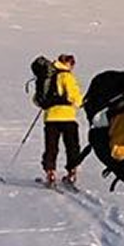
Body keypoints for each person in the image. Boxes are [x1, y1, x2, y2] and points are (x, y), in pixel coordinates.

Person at [41, 53, 85, 188]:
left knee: (51, 147)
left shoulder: (47, 77)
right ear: (68, 63)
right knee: (72, 146)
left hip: (50, 118)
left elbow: (38, 100)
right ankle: (71, 173)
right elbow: (76, 99)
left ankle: (50, 173)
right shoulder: (67, 76)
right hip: (67, 118)